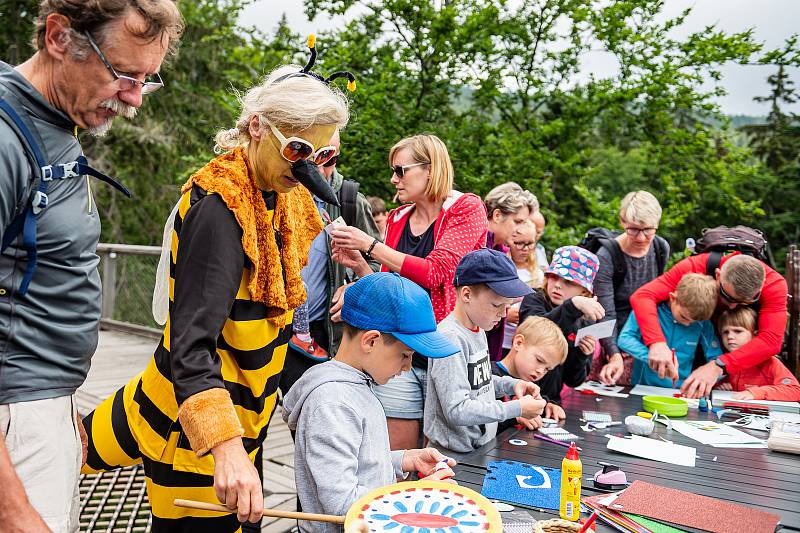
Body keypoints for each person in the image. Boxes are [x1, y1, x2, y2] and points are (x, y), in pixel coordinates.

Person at [81, 53, 351, 532]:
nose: (310, 170)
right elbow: (190, 345)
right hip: (194, 433)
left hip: (236, 417)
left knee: (67, 447)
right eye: (296, 150)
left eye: (324, 156)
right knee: (52, 458)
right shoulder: (222, 210)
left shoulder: (277, 196)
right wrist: (226, 449)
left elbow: (268, 329)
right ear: (255, 127)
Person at [0, 2, 182, 531]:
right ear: (59, 36)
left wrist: (60, 408)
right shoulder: (7, 138)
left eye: (147, 81)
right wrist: (12, 507)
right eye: (122, 74)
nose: (133, 99)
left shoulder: (54, 120)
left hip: (42, 407)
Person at [329, 134, 487, 450]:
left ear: (430, 169)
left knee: (441, 456)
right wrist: (361, 270)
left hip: (444, 355)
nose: (393, 179)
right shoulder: (399, 217)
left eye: (401, 171)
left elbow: (437, 272)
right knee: (399, 458)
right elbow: (393, 289)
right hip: (400, 353)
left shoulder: (465, 208)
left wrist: (370, 245)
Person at [283, 273, 459, 532]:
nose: (408, 367)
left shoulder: (356, 384)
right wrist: (418, 494)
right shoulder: (332, 404)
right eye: (405, 355)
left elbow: (359, 463)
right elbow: (342, 503)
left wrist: (404, 460)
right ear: (371, 341)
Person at [424, 249, 547, 453]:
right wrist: (517, 408)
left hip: (480, 448)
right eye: (497, 304)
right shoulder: (450, 338)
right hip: (453, 455)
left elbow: (478, 382)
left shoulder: (478, 327)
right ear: (466, 294)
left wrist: (513, 385)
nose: (504, 313)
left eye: (508, 306)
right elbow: (457, 409)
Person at [284, 128, 380, 377]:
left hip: (319, 333)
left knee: (310, 411)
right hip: (267, 326)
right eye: (316, 158)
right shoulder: (278, 192)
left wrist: (354, 288)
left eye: (331, 159)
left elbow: (378, 263)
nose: (321, 170)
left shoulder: (349, 201)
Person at [630, 253, 788, 398]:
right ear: (718, 275)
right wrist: (656, 343)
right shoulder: (693, 267)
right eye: (727, 297)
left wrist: (719, 365)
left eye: (744, 303)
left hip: (738, 357)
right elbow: (643, 296)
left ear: (762, 287)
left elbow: (771, 341)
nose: (732, 307)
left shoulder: (775, 285)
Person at [593, 191, 670, 386]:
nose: (641, 237)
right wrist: (614, 354)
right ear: (622, 221)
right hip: (612, 335)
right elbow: (605, 312)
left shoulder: (660, 248)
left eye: (648, 230)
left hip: (644, 334)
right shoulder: (607, 255)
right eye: (634, 229)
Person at [518, 246, 605, 415]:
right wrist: (573, 305)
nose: (558, 285)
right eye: (554, 277)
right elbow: (537, 331)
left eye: (568, 282)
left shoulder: (584, 320)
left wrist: (582, 355)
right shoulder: (533, 298)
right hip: (519, 396)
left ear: (584, 291)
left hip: (551, 402)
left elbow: (573, 380)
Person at [619, 273, 722, 387]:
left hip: (679, 390)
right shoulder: (649, 310)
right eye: (683, 316)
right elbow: (625, 339)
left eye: (693, 322)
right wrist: (652, 356)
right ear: (673, 298)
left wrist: (710, 374)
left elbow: (716, 356)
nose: (688, 324)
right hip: (643, 386)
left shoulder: (703, 324)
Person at [493, 316, 569, 432]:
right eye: (539, 360)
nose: (540, 371)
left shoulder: (529, 379)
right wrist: (514, 417)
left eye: (547, 369)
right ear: (518, 343)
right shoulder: (490, 375)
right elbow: (480, 420)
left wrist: (547, 406)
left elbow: (537, 400)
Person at [716, 308, 800, 401]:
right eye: (725, 332)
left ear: (755, 335)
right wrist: (721, 387)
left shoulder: (770, 362)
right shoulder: (723, 362)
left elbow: (795, 390)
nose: (730, 336)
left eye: (738, 331)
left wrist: (757, 393)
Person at [502, 220, 544, 356]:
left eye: (530, 243)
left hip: (524, 343)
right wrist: (505, 315)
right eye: (519, 243)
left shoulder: (538, 274)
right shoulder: (502, 267)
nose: (525, 248)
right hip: (501, 339)